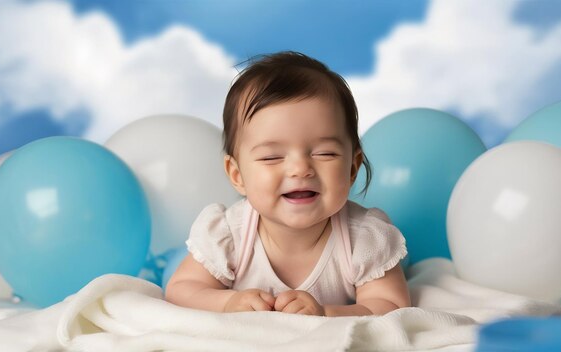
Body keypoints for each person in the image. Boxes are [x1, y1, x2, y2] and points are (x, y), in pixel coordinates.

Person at [165, 51, 410, 316]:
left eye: (324, 153)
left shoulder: (362, 239)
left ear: (352, 168)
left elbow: (391, 307)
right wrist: (227, 303)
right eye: (272, 156)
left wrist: (326, 313)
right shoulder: (229, 235)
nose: (300, 169)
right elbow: (181, 289)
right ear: (237, 176)